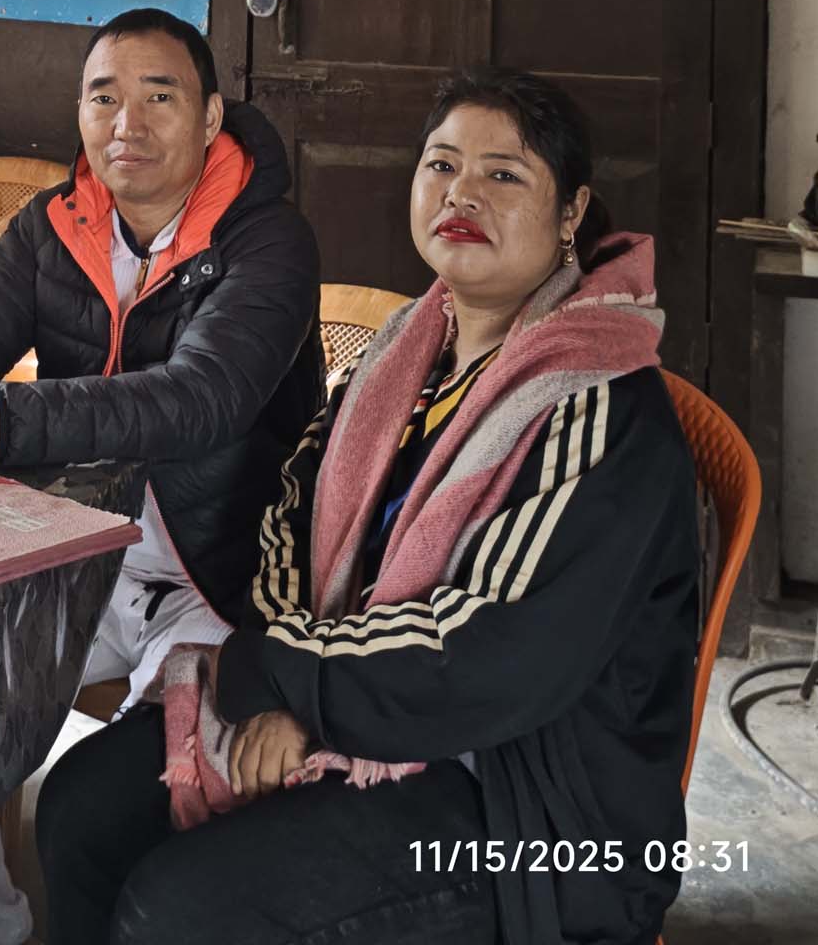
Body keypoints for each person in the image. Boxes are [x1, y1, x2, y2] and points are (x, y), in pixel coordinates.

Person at [37, 65, 699, 945]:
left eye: (504, 174)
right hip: (358, 706)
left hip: (527, 802)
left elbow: (483, 654)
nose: (462, 193)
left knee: (181, 911)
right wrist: (285, 688)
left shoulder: (600, 405)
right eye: (441, 165)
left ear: (571, 211)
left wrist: (285, 683)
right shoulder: (409, 353)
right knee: (79, 811)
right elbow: (293, 517)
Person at [0, 8, 320, 945]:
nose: (126, 125)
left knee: (121, 806)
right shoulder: (56, 225)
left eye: (159, 97)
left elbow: (200, 401)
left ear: (210, 117)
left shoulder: (268, 242)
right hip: (75, 551)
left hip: (220, 580)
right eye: (104, 98)